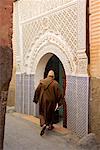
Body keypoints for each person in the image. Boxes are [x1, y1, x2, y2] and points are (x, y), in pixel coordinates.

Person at [33, 70, 63, 136]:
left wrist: (36, 99)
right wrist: (60, 102)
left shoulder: (42, 82)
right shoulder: (55, 84)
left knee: (42, 112)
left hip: (42, 100)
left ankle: (43, 124)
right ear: (53, 76)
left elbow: (37, 91)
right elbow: (59, 94)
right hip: (51, 101)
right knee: (50, 113)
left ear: (47, 75)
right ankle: (49, 125)